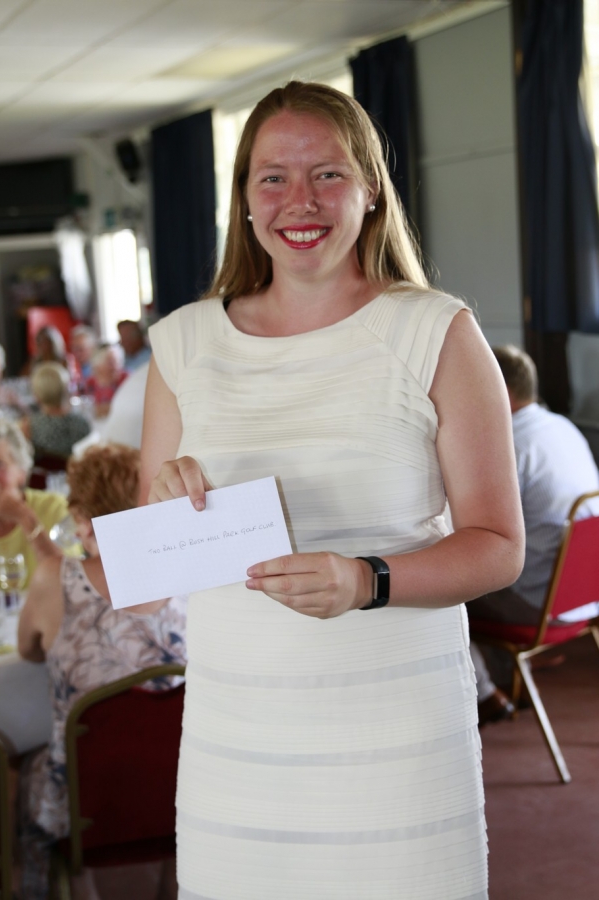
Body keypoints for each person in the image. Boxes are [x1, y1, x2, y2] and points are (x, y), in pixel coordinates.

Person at [140, 81, 524, 899]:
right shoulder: (182, 345)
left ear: (372, 188)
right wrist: (166, 508)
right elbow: (151, 579)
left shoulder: (436, 331)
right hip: (236, 741)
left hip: (395, 736)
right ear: (243, 200)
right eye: (272, 177)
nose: (299, 200)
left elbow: (499, 547)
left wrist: (366, 579)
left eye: (328, 174)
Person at [16, 443, 188, 900]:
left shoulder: (55, 580)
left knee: (18, 768)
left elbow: (27, 652)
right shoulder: (187, 576)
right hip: (178, 792)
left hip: (87, 802)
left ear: (81, 513)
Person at [469, 345, 599, 724]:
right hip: (583, 596)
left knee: (444, 588)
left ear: (500, 389)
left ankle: (484, 694)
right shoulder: (563, 427)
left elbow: (466, 528)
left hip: (539, 604)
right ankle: (511, 679)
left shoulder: (507, 445)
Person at [0, 419, 66, 587]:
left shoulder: (53, 507)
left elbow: (67, 583)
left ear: (22, 471)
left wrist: (25, 517)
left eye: (0, 465)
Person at [22, 362, 91, 461]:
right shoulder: (81, 423)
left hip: (43, 475)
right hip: (73, 474)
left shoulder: (29, 426)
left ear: (37, 395)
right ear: (66, 390)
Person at [85, 344, 127, 418]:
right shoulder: (89, 383)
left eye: (118, 362)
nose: (116, 366)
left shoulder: (126, 380)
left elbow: (126, 408)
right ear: (97, 365)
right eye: (111, 362)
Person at [69, 324, 97, 393]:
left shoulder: (101, 368)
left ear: (92, 348)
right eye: (74, 349)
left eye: (80, 349)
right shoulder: (70, 366)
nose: (76, 353)